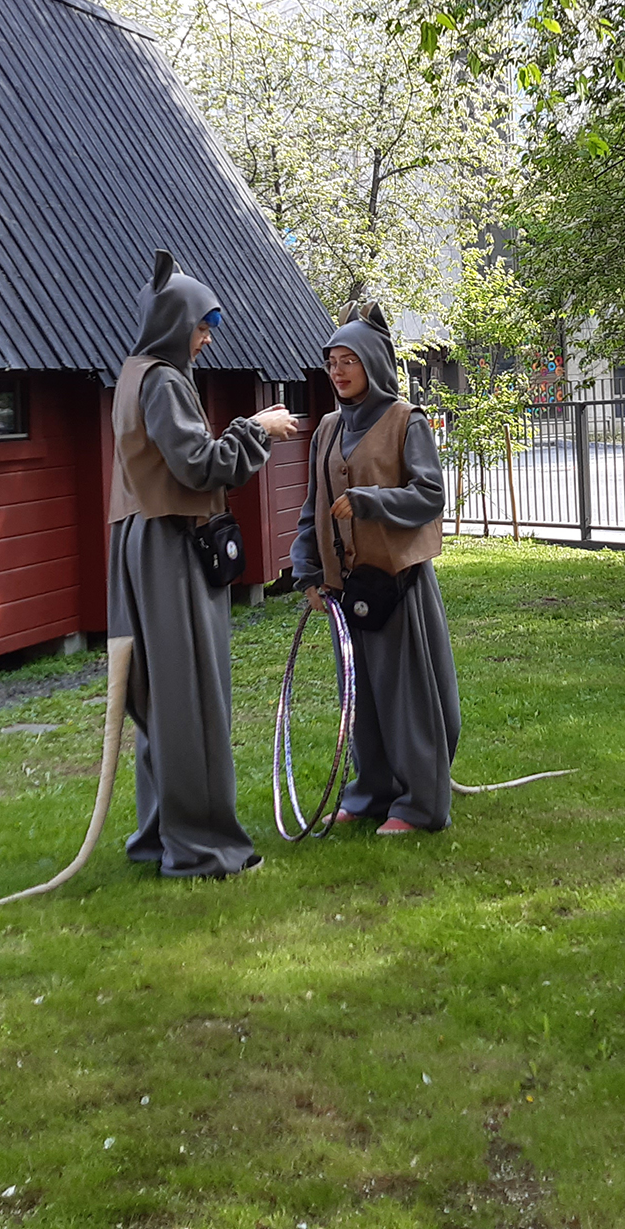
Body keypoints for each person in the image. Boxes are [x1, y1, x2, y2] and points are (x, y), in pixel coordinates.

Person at [111, 250, 298, 877]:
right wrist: (258, 429)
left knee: (162, 696)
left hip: (143, 542)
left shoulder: (134, 373)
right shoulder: (162, 379)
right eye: (202, 323)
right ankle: (203, 848)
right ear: (174, 321)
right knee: (188, 693)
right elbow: (197, 464)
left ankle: (162, 835)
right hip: (169, 546)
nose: (208, 336)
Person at [290, 303, 459, 834]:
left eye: (349, 361)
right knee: (359, 695)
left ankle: (420, 803)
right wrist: (308, 571)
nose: (337, 371)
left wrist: (371, 501)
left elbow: (430, 496)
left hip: (397, 582)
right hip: (345, 587)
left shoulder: (407, 421)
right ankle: (370, 792)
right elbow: (311, 505)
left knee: (407, 696)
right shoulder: (327, 429)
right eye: (331, 361)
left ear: (374, 365)